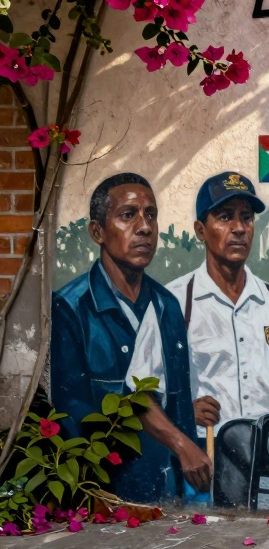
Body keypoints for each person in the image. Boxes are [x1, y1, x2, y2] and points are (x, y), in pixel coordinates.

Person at [50, 173, 201, 503]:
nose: (145, 227)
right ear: (97, 231)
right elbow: (69, 416)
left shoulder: (167, 305)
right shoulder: (70, 308)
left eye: (151, 214)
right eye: (128, 215)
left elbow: (181, 405)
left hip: (169, 495)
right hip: (108, 498)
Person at [127, 172, 269, 453]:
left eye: (246, 217)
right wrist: (181, 414)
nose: (239, 228)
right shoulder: (172, 303)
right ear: (200, 230)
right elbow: (138, 396)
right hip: (205, 454)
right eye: (224, 217)